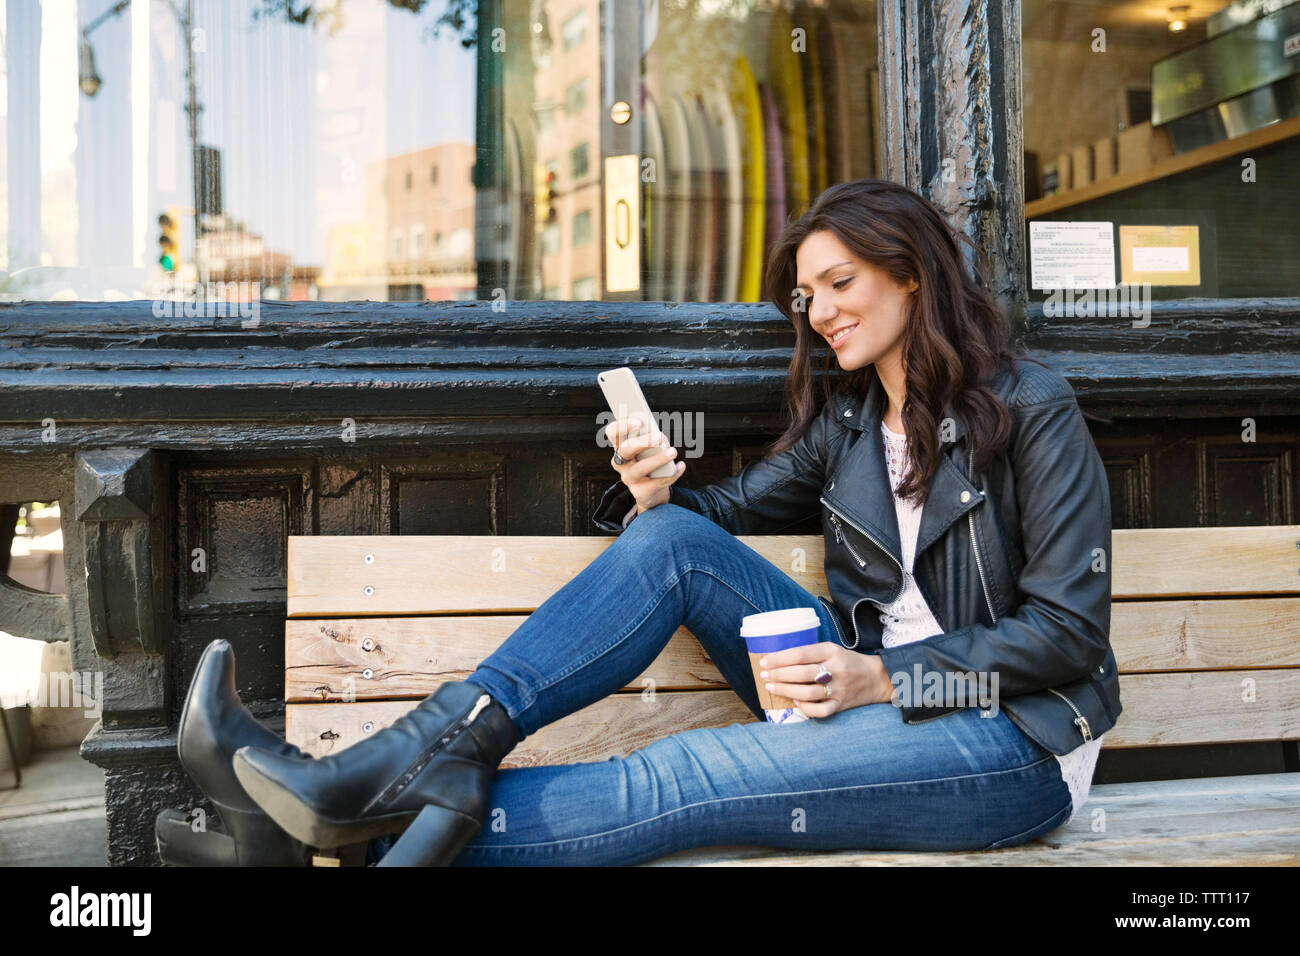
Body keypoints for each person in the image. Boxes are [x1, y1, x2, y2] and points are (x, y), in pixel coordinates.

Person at [188, 178, 1118, 867]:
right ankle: (421, 756)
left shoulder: (1031, 409)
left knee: (679, 778)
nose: (823, 313)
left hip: (1006, 739)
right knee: (671, 538)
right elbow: (708, 524)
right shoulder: (846, 424)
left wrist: (879, 677)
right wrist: (653, 490)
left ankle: (326, 832)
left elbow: (1068, 635)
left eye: (842, 283)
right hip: (849, 694)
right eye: (810, 297)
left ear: (911, 274)